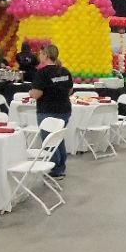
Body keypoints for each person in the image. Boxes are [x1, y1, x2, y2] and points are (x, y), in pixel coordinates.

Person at [29, 43, 74, 178]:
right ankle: (60, 166)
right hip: (64, 110)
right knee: (57, 138)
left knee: (49, 140)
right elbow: (70, 91)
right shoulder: (65, 71)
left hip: (48, 110)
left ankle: (55, 168)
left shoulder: (42, 73)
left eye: (41, 54)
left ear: (46, 55)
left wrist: (31, 93)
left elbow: (36, 94)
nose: (39, 56)